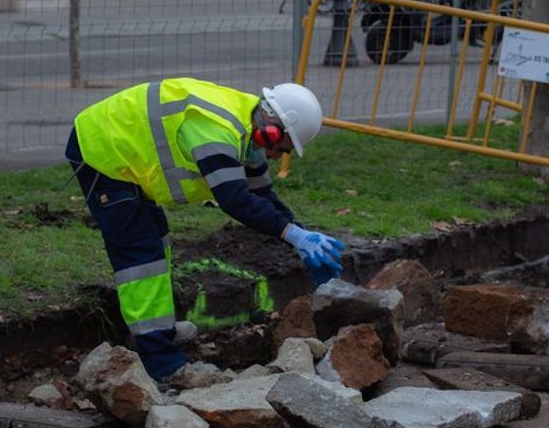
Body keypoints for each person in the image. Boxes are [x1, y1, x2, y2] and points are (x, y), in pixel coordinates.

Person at [65, 78, 345, 381]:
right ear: (272, 128)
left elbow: (263, 197)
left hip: (122, 151)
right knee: (141, 257)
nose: (276, 157)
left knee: (157, 240)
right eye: (280, 147)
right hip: (102, 151)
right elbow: (235, 199)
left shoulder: (247, 130)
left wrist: (303, 237)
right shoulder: (217, 130)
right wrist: (292, 234)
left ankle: (159, 329)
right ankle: (163, 364)